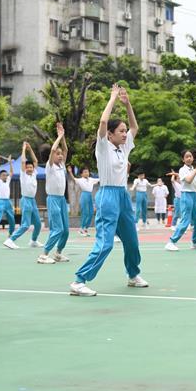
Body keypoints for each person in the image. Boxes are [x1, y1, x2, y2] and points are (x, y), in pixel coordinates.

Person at [71, 85, 147, 296]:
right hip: (107, 196)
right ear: (110, 134)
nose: (125, 134)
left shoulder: (123, 147)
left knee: (131, 240)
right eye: (120, 131)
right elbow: (103, 122)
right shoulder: (103, 147)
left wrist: (127, 103)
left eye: (124, 131)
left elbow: (135, 127)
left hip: (123, 196)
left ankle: (133, 275)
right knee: (105, 243)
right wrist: (113, 98)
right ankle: (79, 281)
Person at [39, 123, 70, 264]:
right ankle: (44, 255)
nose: (60, 155)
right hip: (53, 200)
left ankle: (58, 253)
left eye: (60, 154)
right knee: (57, 229)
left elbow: (65, 149)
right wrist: (59, 137)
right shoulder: (49, 166)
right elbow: (53, 149)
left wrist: (63, 137)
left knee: (65, 231)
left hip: (62, 200)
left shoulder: (61, 166)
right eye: (58, 154)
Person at [165, 151, 196, 251]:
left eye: (190, 156)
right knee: (185, 221)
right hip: (185, 195)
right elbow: (188, 180)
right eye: (186, 157)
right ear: (183, 159)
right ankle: (171, 242)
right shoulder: (182, 170)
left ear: (193, 158)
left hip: (194, 196)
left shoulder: (194, 170)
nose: (189, 158)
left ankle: (195, 242)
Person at [7, 141, 43, 247]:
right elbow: (23, 162)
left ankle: (33, 241)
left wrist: (30, 148)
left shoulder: (34, 173)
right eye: (28, 167)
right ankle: (11, 240)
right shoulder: (23, 175)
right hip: (26, 200)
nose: (29, 168)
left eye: (31, 167)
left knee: (38, 224)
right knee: (26, 225)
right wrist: (23, 149)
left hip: (33, 201)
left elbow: (35, 160)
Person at [71, 166, 98, 237]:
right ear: (81, 174)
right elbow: (74, 179)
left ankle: (86, 228)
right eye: (85, 172)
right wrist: (70, 172)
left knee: (91, 213)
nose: (87, 173)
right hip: (84, 195)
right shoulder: (80, 180)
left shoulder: (91, 179)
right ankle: (81, 229)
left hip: (90, 196)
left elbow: (99, 179)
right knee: (85, 212)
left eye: (88, 171)